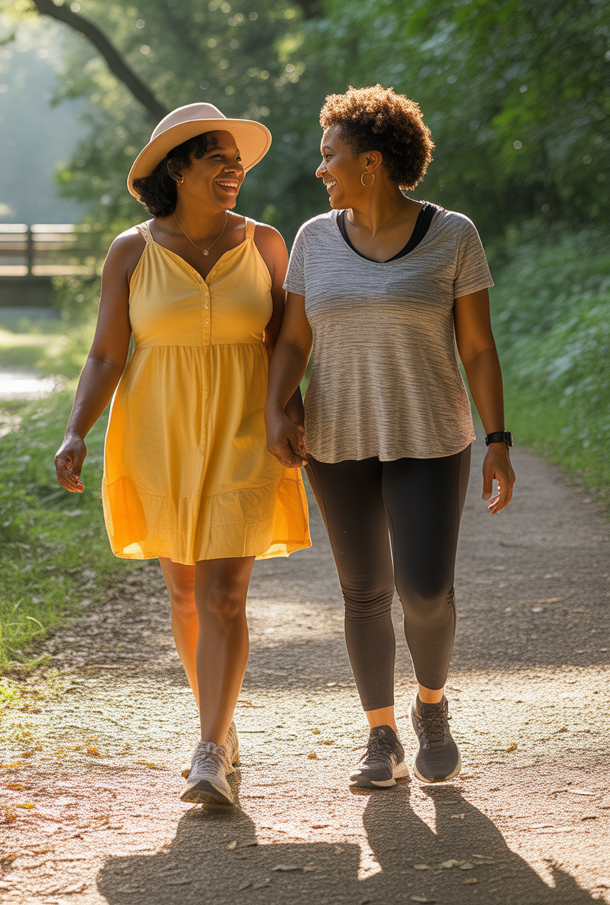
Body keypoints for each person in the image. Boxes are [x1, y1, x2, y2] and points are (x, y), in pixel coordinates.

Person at [54, 103, 311, 806]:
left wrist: (290, 408)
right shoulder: (131, 251)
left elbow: (292, 337)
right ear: (178, 166)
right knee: (186, 592)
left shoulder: (265, 243)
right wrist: (77, 429)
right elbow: (107, 353)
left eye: (237, 160)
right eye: (217, 158)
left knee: (227, 591)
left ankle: (206, 751)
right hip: (157, 429)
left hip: (243, 426)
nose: (234, 170)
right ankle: (221, 733)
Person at [265, 85, 515, 789]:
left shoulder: (453, 234)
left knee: (426, 591)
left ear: (371, 162)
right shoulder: (315, 239)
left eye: (329, 155)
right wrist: (274, 406)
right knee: (364, 592)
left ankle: (431, 707)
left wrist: (497, 438)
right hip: (337, 440)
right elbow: (291, 340)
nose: (321, 169)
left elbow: (478, 349)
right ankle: (382, 736)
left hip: (431, 438)